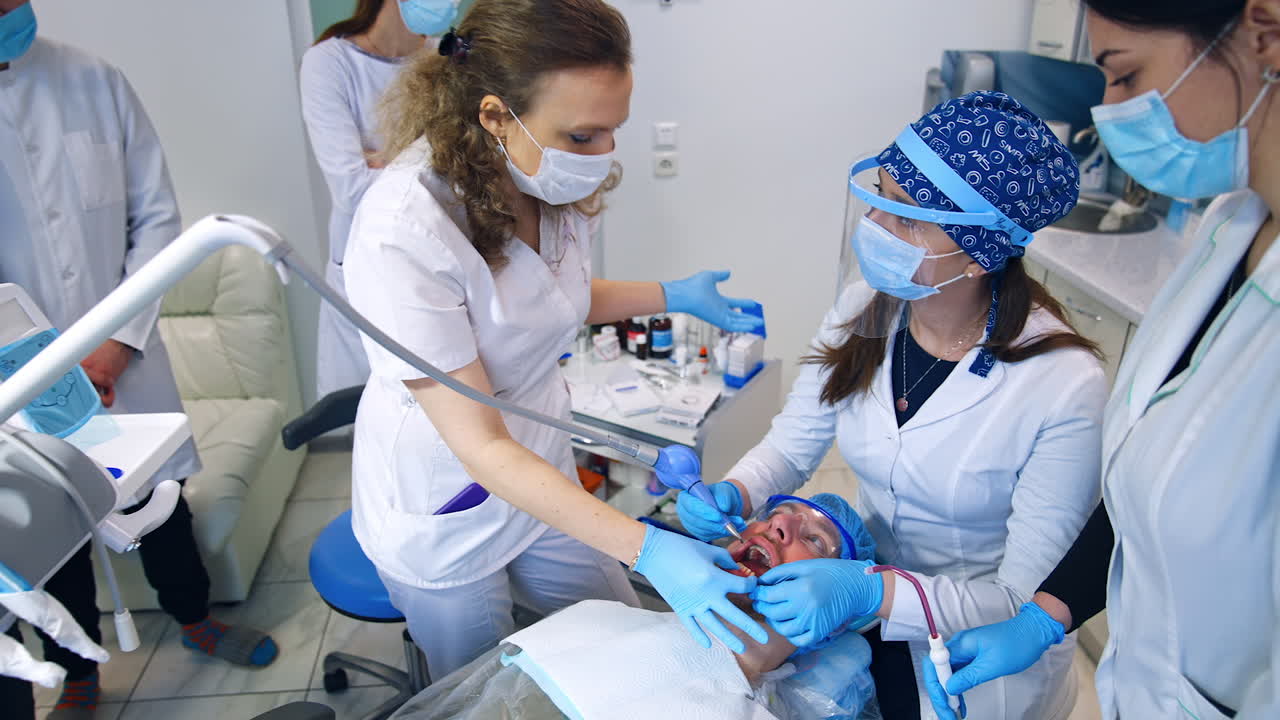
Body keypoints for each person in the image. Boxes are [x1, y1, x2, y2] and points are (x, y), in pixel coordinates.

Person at [342, 0, 769, 680]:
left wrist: (674, 295)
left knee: (621, 634)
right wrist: (651, 549)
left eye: (613, 131)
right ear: (494, 116)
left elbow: (544, 299)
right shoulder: (405, 230)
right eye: (582, 136)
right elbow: (480, 444)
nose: (602, 156)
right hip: (450, 495)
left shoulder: (546, 174)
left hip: (537, 461)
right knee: (485, 684)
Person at [677, 91, 1109, 718]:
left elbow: (1025, 600)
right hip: (863, 619)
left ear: (981, 245)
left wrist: (872, 593)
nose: (876, 230)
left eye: (908, 218)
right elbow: (793, 444)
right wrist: (737, 492)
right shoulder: (864, 308)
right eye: (878, 200)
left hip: (981, 655)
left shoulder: (1062, 384)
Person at [921, 2, 1280, 718]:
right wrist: (1048, 612)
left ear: (1263, 33)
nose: (1110, 109)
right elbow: (1146, 479)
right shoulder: (1230, 228)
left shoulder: (1057, 376)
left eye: (1125, 75)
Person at [0, 3, 276, 718]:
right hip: (15, 373)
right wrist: (36, 364)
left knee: (160, 498)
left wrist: (118, 343)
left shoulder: (92, 80)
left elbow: (155, 216)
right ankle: (78, 669)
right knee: (45, 525)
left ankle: (194, 619)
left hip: (125, 354)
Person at [390, 493, 881, 720]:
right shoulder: (596, 619)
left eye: (815, 541)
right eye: (775, 516)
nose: (779, 528)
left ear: (834, 614)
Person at [301, 0, 430, 399]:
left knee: (441, 412)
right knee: (372, 410)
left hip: (436, 256)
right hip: (364, 261)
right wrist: (432, 157)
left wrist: (382, 158)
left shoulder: (447, 57)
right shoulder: (329, 63)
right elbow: (352, 187)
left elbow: (471, 168)